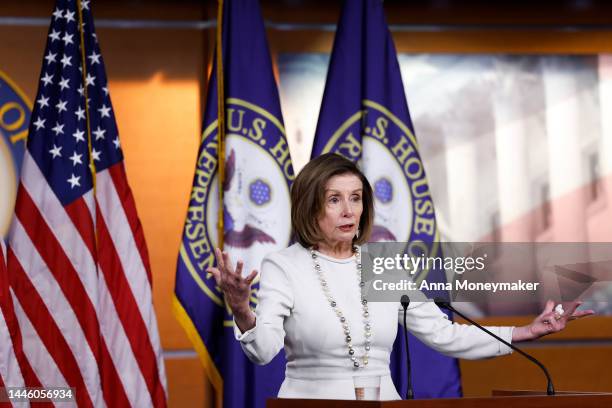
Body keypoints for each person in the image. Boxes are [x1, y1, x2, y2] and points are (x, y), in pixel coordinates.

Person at [208, 153, 594, 400]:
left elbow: (444, 334)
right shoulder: (284, 266)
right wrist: (242, 309)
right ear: (310, 207)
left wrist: (527, 331)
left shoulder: (380, 265)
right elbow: (263, 351)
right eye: (334, 199)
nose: (348, 210)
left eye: (356, 198)